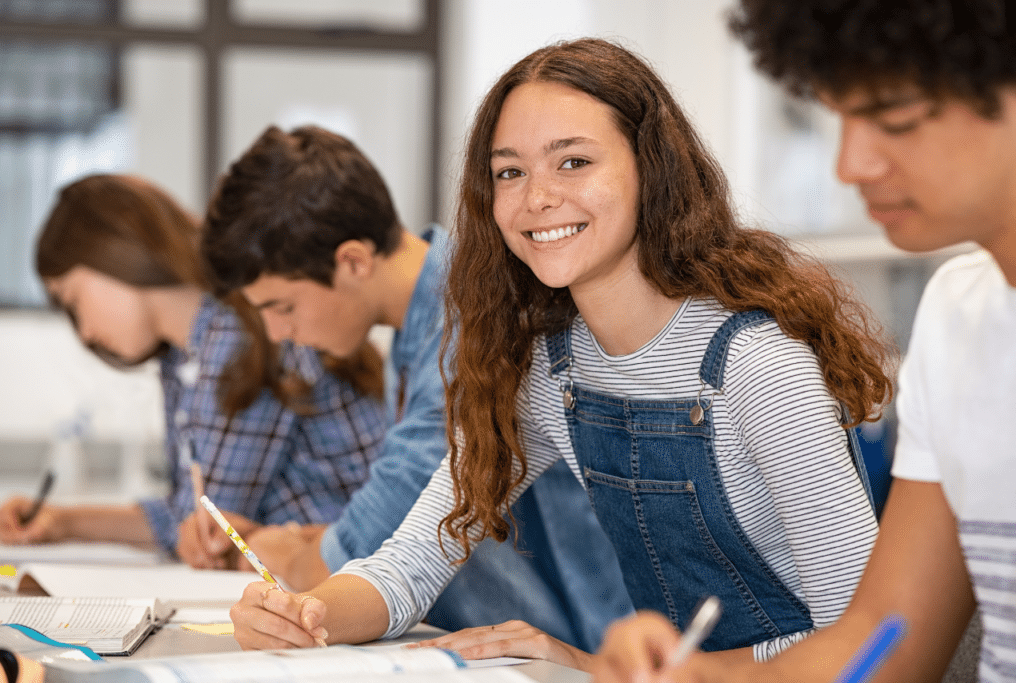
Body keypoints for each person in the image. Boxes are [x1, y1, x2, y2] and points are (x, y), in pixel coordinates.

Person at [226, 39, 894, 674]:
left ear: (650, 168)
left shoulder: (756, 366)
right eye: (510, 172)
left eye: (573, 161)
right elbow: (409, 565)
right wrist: (304, 614)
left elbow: (867, 640)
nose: (537, 197)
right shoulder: (548, 371)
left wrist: (604, 666)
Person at [592, 2, 1016, 682]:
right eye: (840, 115)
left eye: (895, 118)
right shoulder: (956, 316)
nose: (850, 163)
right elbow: (888, 640)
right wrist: (703, 675)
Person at [197, 124, 634, 656]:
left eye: (282, 307)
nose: (278, 334)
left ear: (354, 261)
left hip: (574, 646)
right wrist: (294, 543)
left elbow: (372, 536)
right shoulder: (417, 324)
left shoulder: (471, 323)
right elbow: (413, 536)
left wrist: (283, 551)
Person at [0, 174, 388, 556]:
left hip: (359, 575)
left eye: (73, 300)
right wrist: (61, 522)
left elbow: (206, 530)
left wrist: (71, 523)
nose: (83, 333)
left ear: (113, 253)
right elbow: (191, 515)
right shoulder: (186, 355)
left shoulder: (241, 337)